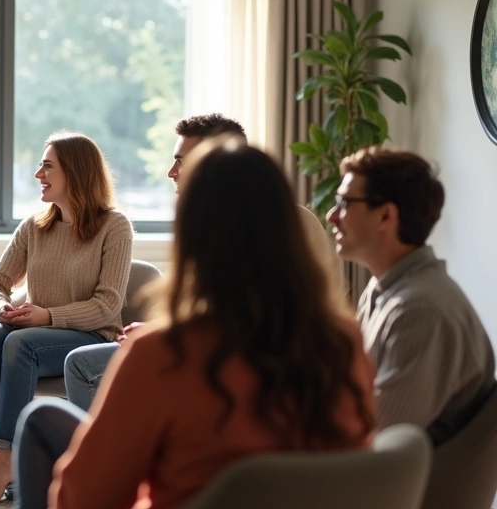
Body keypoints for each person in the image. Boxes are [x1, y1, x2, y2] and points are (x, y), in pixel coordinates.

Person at [0, 143, 376, 509]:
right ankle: (10, 482)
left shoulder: (163, 352)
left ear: (196, 234)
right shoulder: (343, 342)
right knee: (39, 414)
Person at [63, 113, 344, 410]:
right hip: (209, 345)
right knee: (84, 364)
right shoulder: (212, 225)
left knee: (79, 369)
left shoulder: (287, 223)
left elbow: (258, 319)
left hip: (242, 357)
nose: (172, 172)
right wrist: (160, 328)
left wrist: (165, 335)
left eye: (181, 161)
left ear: (211, 161)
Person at [0, 131, 132, 505]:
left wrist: (48, 315)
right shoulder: (35, 226)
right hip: (36, 334)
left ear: (75, 171)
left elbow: (107, 306)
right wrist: (0, 308)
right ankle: (8, 456)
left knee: (20, 342)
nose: (39, 174)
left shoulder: (114, 226)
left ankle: (5, 460)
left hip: (92, 337)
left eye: (47, 166)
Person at [329, 147, 495, 444]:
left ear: (385, 215)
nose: (332, 216)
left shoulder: (420, 311)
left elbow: (375, 432)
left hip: (409, 473)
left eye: (344, 203)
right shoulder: (385, 287)